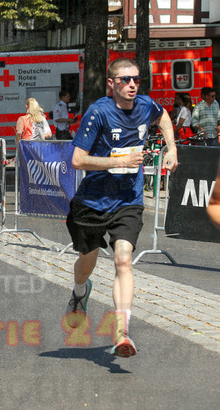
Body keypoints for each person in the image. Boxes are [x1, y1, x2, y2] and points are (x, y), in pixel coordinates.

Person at [64, 58, 178, 358]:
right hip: (92, 201)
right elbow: (77, 160)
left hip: (128, 199)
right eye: (125, 80)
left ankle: (121, 332)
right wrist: (120, 161)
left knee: (123, 260)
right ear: (111, 83)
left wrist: (172, 148)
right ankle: (79, 292)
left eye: (136, 79)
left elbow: (164, 116)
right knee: (86, 261)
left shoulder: (146, 105)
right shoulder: (98, 112)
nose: (132, 85)